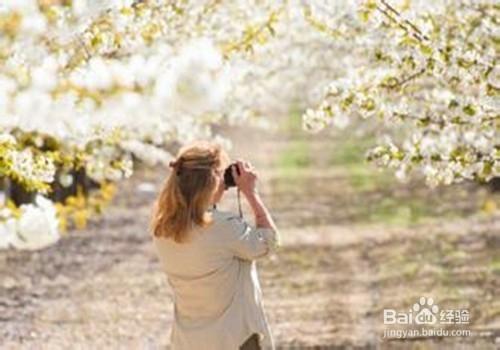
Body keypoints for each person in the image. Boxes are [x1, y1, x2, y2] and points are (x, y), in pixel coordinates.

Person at [150, 140, 281, 350]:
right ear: (211, 180)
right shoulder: (222, 227)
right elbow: (268, 242)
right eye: (222, 174)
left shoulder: (163, 229)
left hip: (188, 341)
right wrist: (250, 192)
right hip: (235, 339)